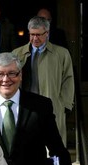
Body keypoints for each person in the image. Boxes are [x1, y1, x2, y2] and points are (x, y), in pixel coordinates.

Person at [12, 16, 75, 146]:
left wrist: (64, 104)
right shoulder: (17, 54)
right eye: (32, 34)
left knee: (53, 147)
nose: (35, 39)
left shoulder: (61, 54)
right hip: (25, 107)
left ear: (47, 33)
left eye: (39, 35)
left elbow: (68, 80)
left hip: (52, 107)